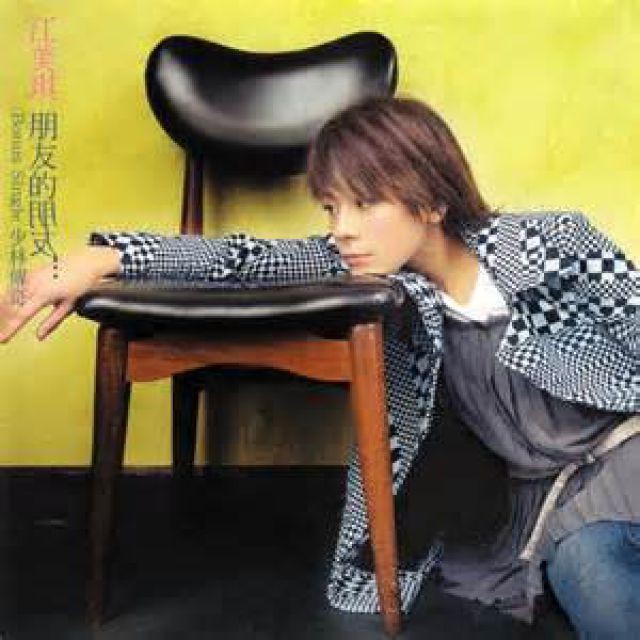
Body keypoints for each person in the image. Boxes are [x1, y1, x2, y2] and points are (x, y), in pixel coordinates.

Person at [1, 96, 638, 637]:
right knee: (596, 589)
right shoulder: (391, 288)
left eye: (365, 203)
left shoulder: (550, 244)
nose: (343, 229)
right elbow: (246, 261)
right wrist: (99, 259)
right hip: (542, 504)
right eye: (332, 208)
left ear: (431, 202)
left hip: (627, 457)